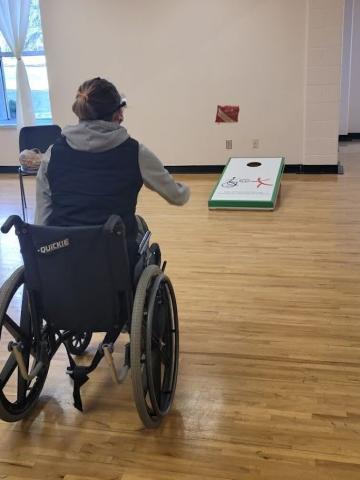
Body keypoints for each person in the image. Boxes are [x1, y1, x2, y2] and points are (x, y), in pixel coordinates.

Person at [35, 77, 190, 272]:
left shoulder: (52, 154)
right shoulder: (135, 153)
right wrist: (186, 190)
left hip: (64, 258)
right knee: (139, 227)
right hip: (115, 260)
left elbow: (42, 220)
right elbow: (177, 196)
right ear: (118, 114)